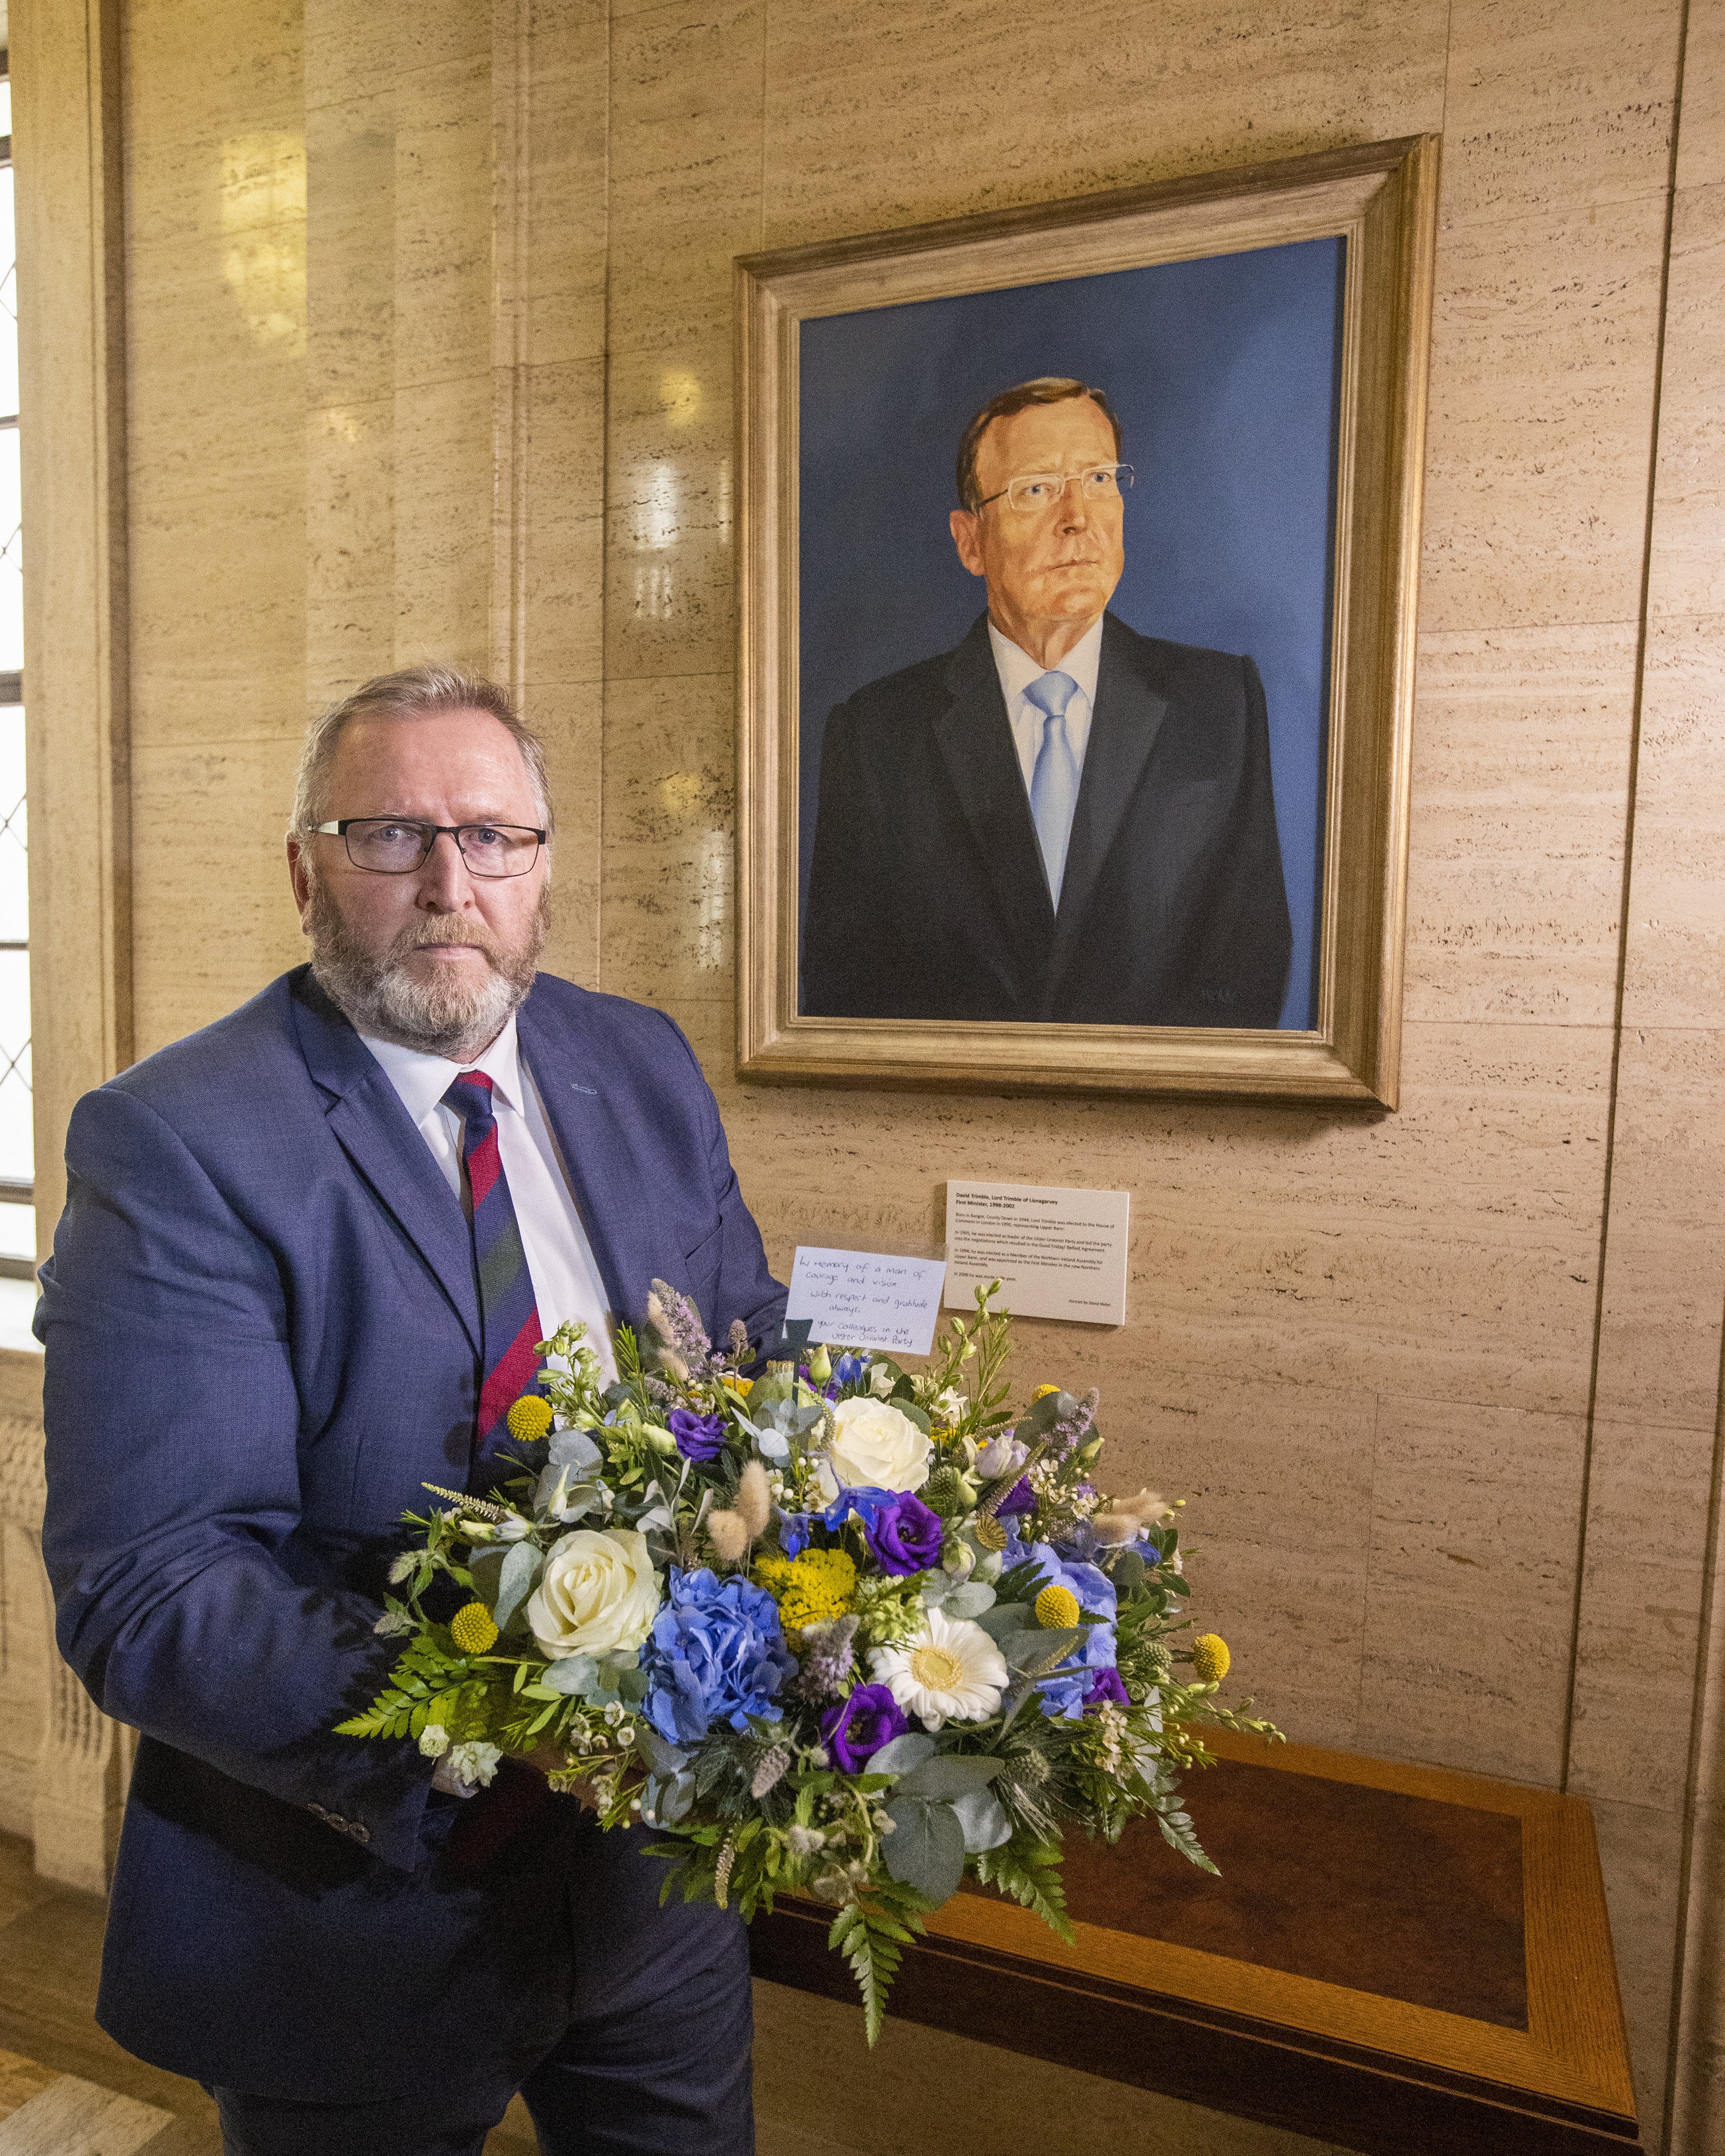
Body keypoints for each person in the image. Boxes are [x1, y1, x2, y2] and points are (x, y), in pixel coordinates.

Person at [36, 666, 785, 2156]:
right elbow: (152, 1588)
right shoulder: (180, 1143)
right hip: (347, 1911)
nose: (450, 883)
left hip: (655, 1897)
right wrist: (515, 1720)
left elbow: (747, 1356)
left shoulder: (638, 1061)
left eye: (493, 837)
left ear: (545, 870)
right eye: (389, 836)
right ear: (304, 871)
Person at [801, 375, 1293, 1026]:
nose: (1078, 518)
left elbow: (1250, 965)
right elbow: (846, 991)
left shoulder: (1220, 705)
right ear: (969, 541)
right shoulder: (877, 734)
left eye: (1098, 480)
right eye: (1037, 489)